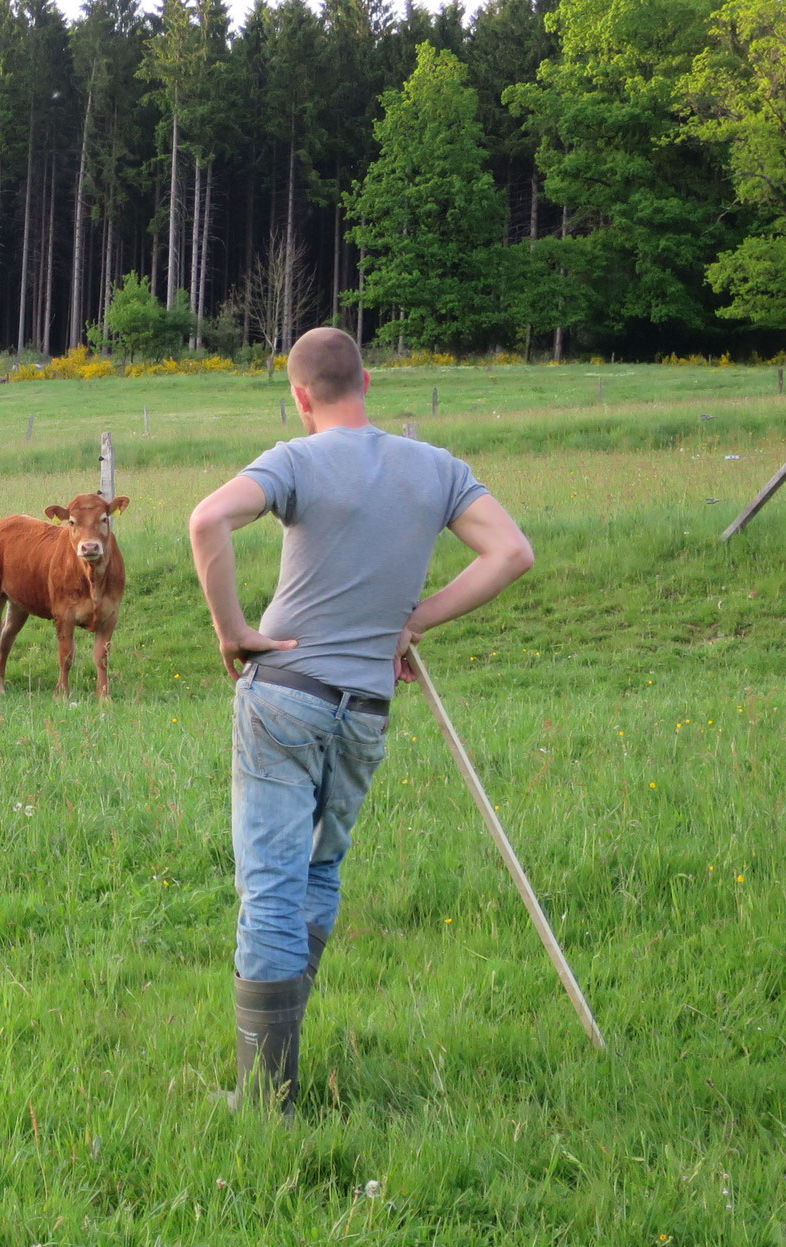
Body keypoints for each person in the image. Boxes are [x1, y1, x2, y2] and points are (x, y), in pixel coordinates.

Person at [186, 327, 535, 1116]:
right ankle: (277, 1071)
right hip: (366, 710)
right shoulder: (437, 467)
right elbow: (511, 553)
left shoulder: (296, 459)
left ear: (300, 396)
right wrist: (415, 620)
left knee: (270, 885)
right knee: (317, 871)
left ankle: (266, 1098)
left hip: (284, 695)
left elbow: (208, 520)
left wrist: (231, 629)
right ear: (367, 382)